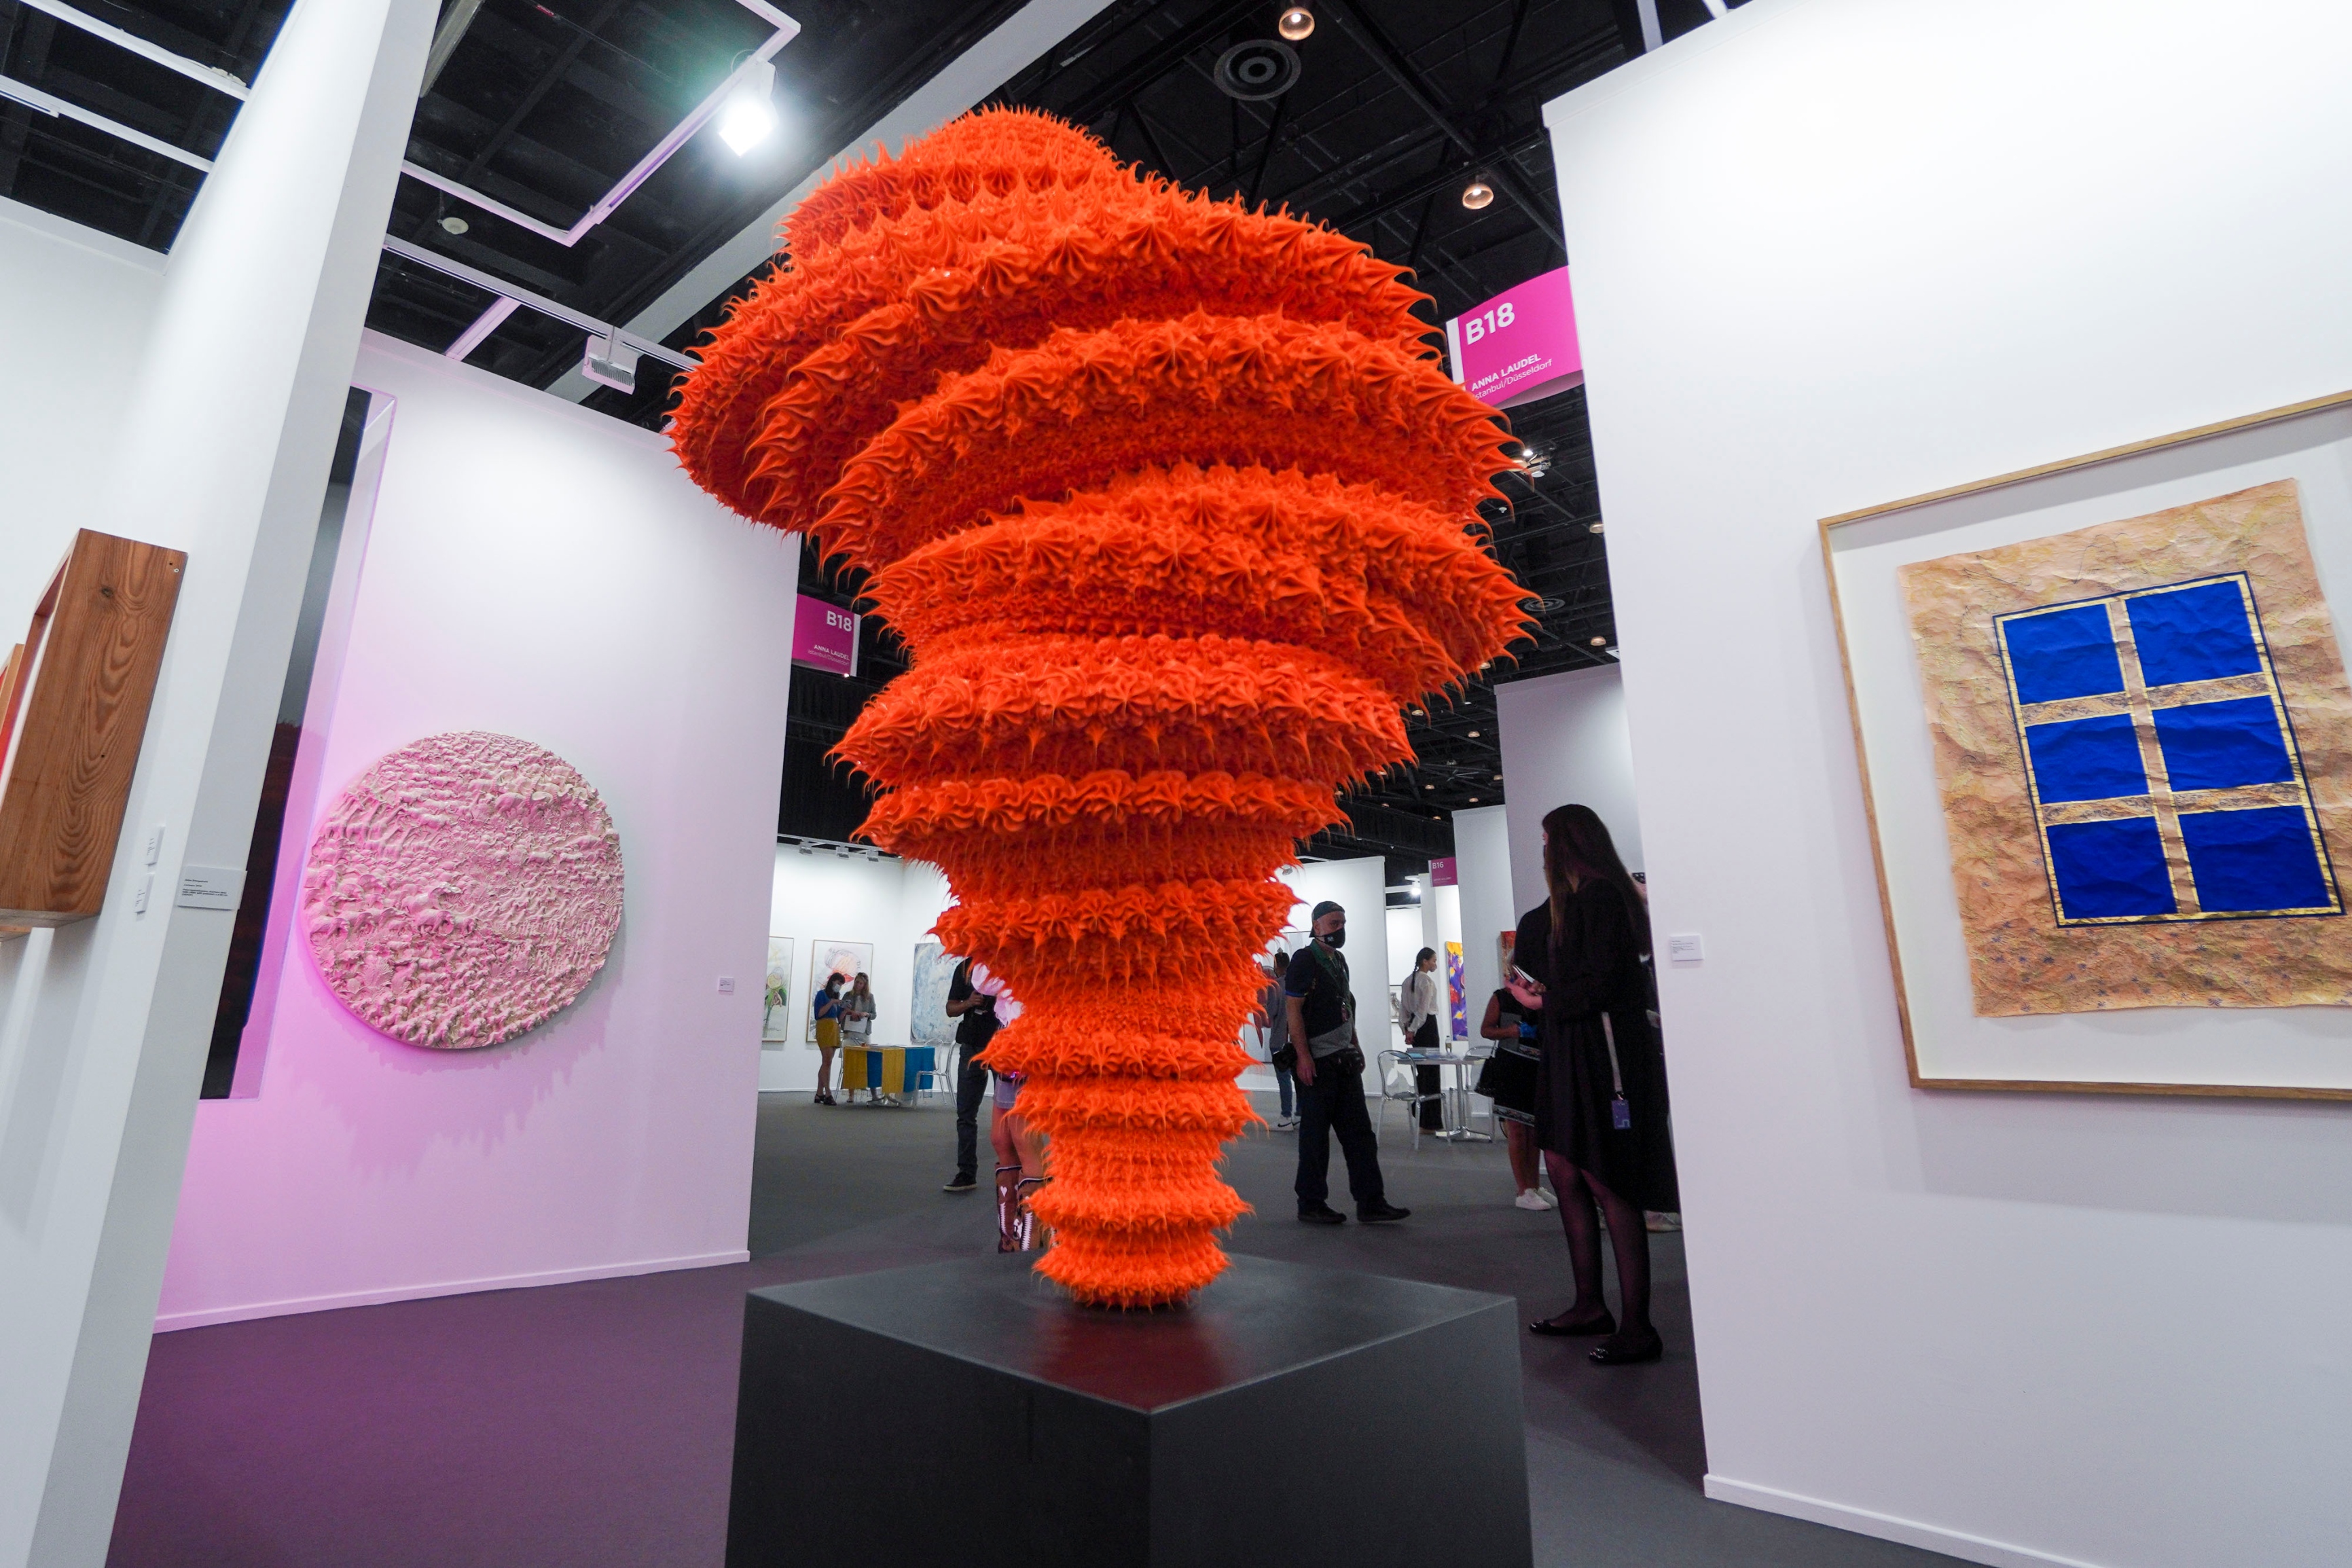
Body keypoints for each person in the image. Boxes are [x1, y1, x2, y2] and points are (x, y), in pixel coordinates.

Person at [1512, 804, 1678, 1366]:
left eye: (1546, 839)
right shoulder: (1564, 907)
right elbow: (1541, 966)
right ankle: (1590, 1304)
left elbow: (1602, 982)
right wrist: (1536, 994)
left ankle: (1637, 1324)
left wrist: (1543, 1000)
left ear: (1567, 841)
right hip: (1566, 1051)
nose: (1542, 850)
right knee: (1564, 1169)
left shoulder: (1605, 898)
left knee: (1609, 1179)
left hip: (1603, 1054)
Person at [1285, 900, 1409, 1226]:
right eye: (1333, 923)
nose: (1339, 929)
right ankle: (1311, 1203)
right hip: (1318, 1063)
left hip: (1344, 1061)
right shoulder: (1305, 960)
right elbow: (1293, 1011)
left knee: (1360, 1136)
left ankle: (1371, 1202)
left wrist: (1355, 1044)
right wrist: (1303, 1057)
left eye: (1342, 923)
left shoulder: (1339, 961)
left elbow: (1346, 1007)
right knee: (1315, 1137)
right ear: (1316, 926)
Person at [1479, 986, 1553, 1210]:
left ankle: (1534, 1186)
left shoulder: (1543, 998)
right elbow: (1486, 1030)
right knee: (1518, 1131)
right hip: (1511, 1068)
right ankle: (1523, 1190)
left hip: (1538, 1070)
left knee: (1535, 1131)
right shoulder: (1501, 997)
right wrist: (1510, 1031)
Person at [940, 955, 999, 1193]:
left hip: (1004, 1048)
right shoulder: (965, 968)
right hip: (972, 1047)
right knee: (965, 1113)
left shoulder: (1008, 963)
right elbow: (950, 1009)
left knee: (1011, 1113)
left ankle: (1016, 1172)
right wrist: (969, 1003)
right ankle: (966, 1173)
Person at [1398, 946, 1444, 1131]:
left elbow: (1403, 1009)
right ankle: (1430, 1121)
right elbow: (1423, 1011)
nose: (1435, 964)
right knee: (1431, 1073)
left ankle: (1423, 1116)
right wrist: (1413, 1029)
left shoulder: (1407, 981)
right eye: (1434, 960)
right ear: (1425, 961)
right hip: (1427, 1028)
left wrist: (1407, 1030)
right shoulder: (1426, 982)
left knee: (1422, 1072)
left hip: (1415, 1028)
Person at [1253, 951, 1297, 1131]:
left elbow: (1270, 1015)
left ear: (1277, 965)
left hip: (1280, 1039)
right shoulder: (1296, 983)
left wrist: (1261, 1007)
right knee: (1297, 1077)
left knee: (1283, 1078)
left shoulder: (1275, 986)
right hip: (1296, 1039)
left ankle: (1285, 1117)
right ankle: (1299, 1114)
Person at [810, 972, 845, 1106]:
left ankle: (819, 1093)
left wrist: (845, 1010)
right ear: (832, 981)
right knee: (827, 1061)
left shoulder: (836, 998)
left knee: (827, 1062)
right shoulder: (822, 994)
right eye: (838, 983)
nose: (839, 986)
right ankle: (828, 1092)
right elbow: (819, 1014)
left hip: (834, 1028)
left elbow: (838, 1018)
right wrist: (832, 1002)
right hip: (824, 1028)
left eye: (841, 984)